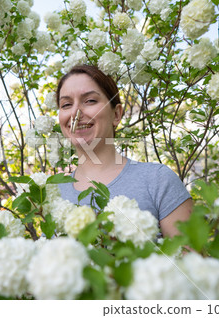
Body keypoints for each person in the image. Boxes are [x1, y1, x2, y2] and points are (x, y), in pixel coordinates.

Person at [56, 65, 192, 237]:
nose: (75, 112)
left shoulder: (158, 180)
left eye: (90, 101)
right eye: (66, 104)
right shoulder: (55, 192)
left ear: (116, 115)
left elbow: (190, 260)